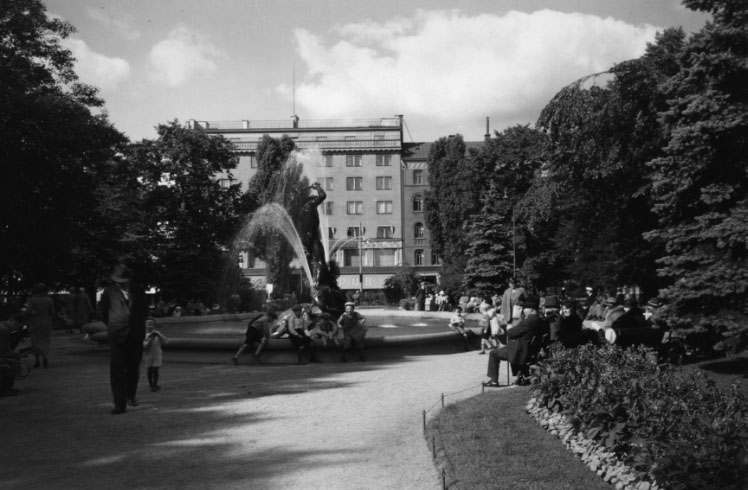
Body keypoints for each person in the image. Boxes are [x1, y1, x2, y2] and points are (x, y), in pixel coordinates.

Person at [98, 263, 148, 415]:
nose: (119, 283)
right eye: (117, 280)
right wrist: (113, 324)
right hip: (117, 334)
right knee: (117, 371)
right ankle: (119, 404)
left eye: (122, 280)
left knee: (133, 369)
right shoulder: (108, 292)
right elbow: (102, 312)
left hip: (135, 335)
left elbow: (144, 310)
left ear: (128, 279)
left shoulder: (138, 290)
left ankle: (130, 395)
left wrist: (137, 325)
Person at [484, 295, 543, 387]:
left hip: (518, 349)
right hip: (526, 348)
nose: (523, 310)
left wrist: (510, 328)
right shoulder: (538, 319)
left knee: (493, 353)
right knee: (499, 352)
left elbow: (511, 333)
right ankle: (521, 377)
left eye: (525, 308)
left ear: (531, 309)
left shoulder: (528, 321)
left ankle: (494, 381)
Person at [25, 282, 55, 369]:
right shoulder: (49, 300)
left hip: (35, 322)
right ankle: (45, 356)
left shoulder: (33, 300)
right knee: (45, 340)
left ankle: (37, 361)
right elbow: (52, 312)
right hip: (46, 323)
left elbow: (28, 312)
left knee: (35, 341)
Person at [142, 317, 167, 392]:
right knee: (150, 370)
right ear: (145, 325)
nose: (151, 326)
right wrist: (150, 339)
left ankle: (155, 384)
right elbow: (144, 347)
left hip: (157, 354)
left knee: (155, 369)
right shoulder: (144, 335)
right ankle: (151, 384)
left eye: (152, 324)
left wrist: (159, 335)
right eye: (149, 324)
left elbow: (165, 342)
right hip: (148, 355)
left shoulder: (157, 333)